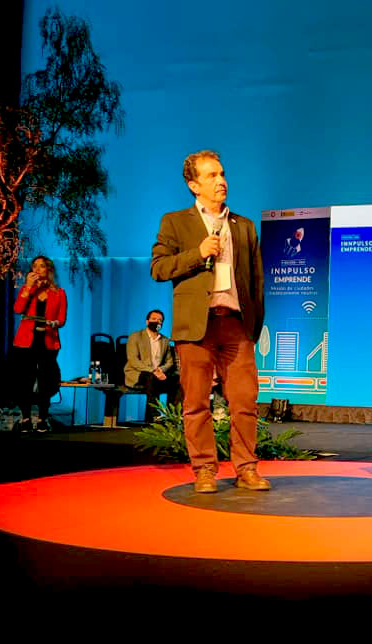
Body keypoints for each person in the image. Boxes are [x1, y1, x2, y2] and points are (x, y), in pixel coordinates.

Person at [151, 150, 268, 493]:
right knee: (196, 403)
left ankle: (246, 468)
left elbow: (256, 281)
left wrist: (253, 327)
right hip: (195, 327)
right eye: (212, 175)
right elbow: (159, 268)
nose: (221, 181)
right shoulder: (175, 222)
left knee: (244, 401)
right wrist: (198, 253)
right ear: (194, 185)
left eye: (222, 174)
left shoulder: (244, 226)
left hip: (235, 325)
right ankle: (204, 469)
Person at [11, 256, 67, 433]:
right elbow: (18, 309)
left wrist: (54, 323)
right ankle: (25, 418)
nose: (37, 269)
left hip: (48, 341)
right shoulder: (27, 290)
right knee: (24, 380)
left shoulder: (59, 293)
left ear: (48, 270)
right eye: (34, 266)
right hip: (26, 341)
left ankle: (43, 418)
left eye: (41, 266)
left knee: (46, 381)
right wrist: (28, 287)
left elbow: (62, 319)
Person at [124, 309, 180, 424]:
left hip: (158, 373)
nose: (157, 322)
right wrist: (153, 371)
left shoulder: (165, 340)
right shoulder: (135, 337)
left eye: (160, 320)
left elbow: (169, 362)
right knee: (151, 378)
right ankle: (154, 415)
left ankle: (172, 416)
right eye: (154, 319)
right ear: (147, 321)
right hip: (139, 373)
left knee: (176, 380)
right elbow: (133, 360)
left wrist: (160, 370)